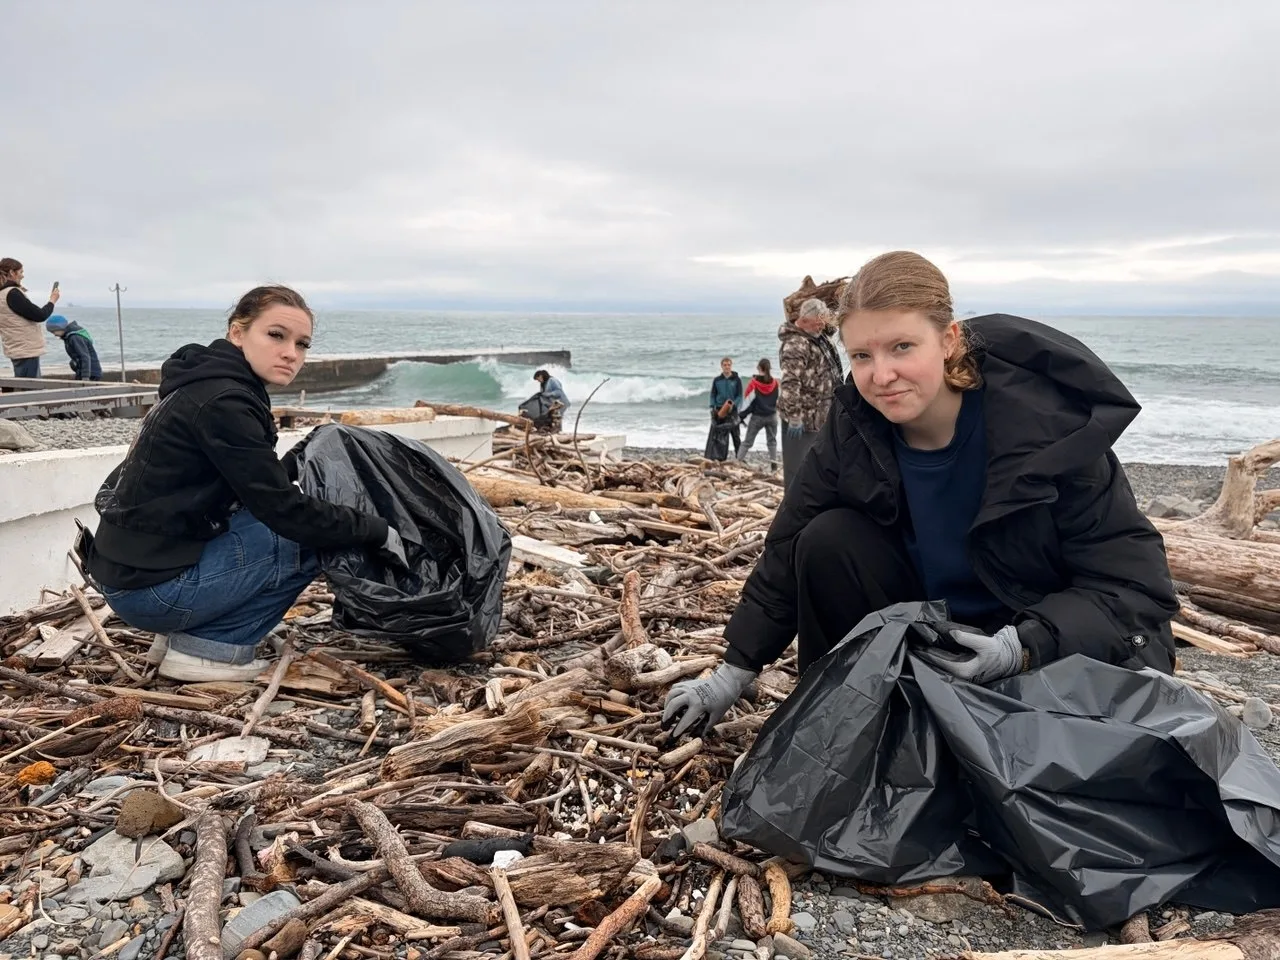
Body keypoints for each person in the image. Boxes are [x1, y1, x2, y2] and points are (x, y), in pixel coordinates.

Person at [664, 250, 1177, 738]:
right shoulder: (856, 425)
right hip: (940, 639)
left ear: (949, 340)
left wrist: (1020, 646)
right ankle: (842, 721)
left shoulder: (1045, 428)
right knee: (826, 539)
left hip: (1043, 648)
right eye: (861, 355)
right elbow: (789, 540)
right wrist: (734, 671)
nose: (881, 375)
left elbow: (1135, 586)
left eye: (902, 347)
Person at [79, 285, 407, 683]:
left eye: (302, 344)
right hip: (151, 594)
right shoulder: (225, 401)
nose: (291, 353)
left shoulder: (208, 382)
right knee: (314, 538)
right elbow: (286, 512)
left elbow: (239, 482)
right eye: (276, 335)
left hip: (131, 576)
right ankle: (212, 649)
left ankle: (181, 634)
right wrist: (376, 530)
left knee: (272, 520)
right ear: (238, 333)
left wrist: (296, 458)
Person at [777, 297, 843, 486]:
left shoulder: (816, 336)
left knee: (817, 468)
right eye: (818, 323)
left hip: (820, 417)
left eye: (823, 323)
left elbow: (830, 328)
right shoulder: (796, 344)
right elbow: (790, 383)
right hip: (804, 420)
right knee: (798, 470)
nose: (821, 327)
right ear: (804, 320)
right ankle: (794, 504)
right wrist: (794, 417)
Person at [0, 257, 59, 377]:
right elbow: (39, 315)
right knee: (30, 385)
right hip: (25, 349)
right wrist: (52, 300)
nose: (22, 276)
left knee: (24, 383)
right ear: (12, 272)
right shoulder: (12, 293)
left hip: (16, 347)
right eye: (21, 272)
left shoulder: (2, 293)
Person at [737, 358, 779, 470]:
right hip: (772, 416)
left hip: (758, 417)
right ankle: (774, 466)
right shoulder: (775, 383)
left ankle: (737, 462)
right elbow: (777, 400)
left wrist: (741, 416)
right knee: (772, 442)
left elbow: (748, 403)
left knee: (747, 442)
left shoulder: (754, 384)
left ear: (759, 368)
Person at [706, 356, 743, 461]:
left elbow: (739, 396)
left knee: (736, 435)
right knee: (718, 435)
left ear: (731, 366)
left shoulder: (737, 380)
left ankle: (739, 457)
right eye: (725, 365)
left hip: (732, 411)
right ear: (721, 366)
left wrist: (733, 405)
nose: (727, 367)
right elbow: (713, 394)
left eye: (729, 365)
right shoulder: (717, 380)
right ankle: (718, 457)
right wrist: (712, 406)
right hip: (719, 410)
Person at [46, 315, 103, 381]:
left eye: (53, 331)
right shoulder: (69, 336)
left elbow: (85, 356)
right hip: (84, 371)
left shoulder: (74, 337)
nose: (54, 334)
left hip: (91, 373)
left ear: (60, 327)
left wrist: (85, 376)